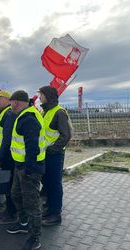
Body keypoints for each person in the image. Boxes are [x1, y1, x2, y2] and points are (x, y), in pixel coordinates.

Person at [6, 90, 46, 250]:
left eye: (11, 103)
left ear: (16, 102)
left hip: (29, 169)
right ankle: (23, 223)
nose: (11, 106)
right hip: (20, 166)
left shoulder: (29, 118)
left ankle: (35, 236)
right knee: (15, 194)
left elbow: (32, 148)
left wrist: (29, 170)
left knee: (32, 202)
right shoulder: (23, 116)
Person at [38, 86, 71, 226]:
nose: (39, 98)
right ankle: (50, 208)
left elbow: (66, 136)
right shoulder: (45, 111)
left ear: (48, 96)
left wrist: (51, 150)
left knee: (55, 184)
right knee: (47, 183)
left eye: (41, 95)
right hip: (45, 154)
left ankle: (56, 214)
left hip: (54, 155)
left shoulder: (59, 112)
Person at [0, 90, 17, 224]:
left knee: (10, 186)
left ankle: (12, 212)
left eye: (0, 99)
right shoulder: (2, 113)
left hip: (7, 157)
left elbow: (6, 139)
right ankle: (9, 209)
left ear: (8, 100)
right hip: (3, 155)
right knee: (7, 185)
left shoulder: (9, 114)